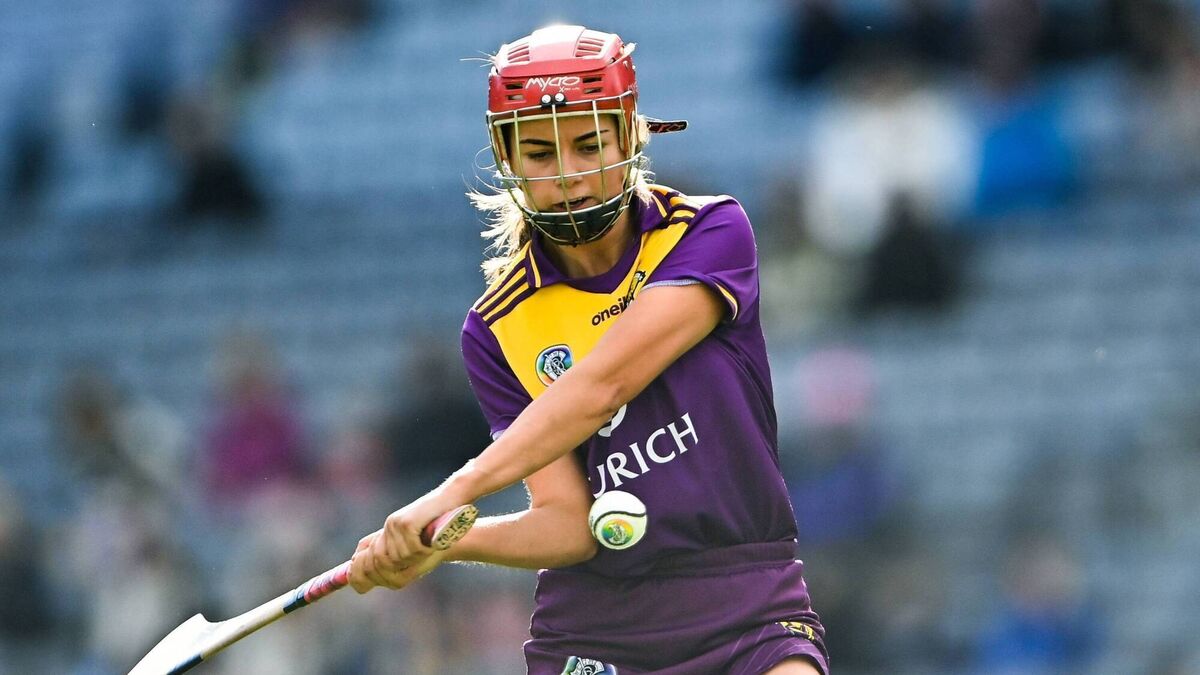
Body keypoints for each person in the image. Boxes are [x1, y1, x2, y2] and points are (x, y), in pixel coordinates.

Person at [348, 25, 829, 675]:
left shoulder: (709, 232)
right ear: (507, 159)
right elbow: (568, 525)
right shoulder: (497, 326)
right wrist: (443, 541)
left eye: (588, 145)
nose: (568, 175)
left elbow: (604, 385)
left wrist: (453, 491)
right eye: (540, 153)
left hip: (749, 604)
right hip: (601, 634)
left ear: (629, 137)